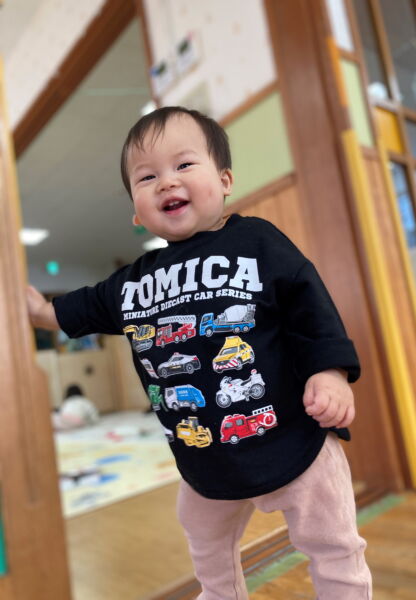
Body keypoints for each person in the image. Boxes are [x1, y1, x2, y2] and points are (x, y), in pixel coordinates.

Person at [27, 106, 372, 599]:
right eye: (147, 177)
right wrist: (34, 309)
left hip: (293, 439)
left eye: (184, 165)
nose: (167, 182)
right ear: (136, 211)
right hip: (204, 455)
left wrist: (330, 372)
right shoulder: (132, 283)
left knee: (333, 544)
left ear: (225, 180)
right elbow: (66, 311)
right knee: (205, 546)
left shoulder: (257, 241)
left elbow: (309, 306)